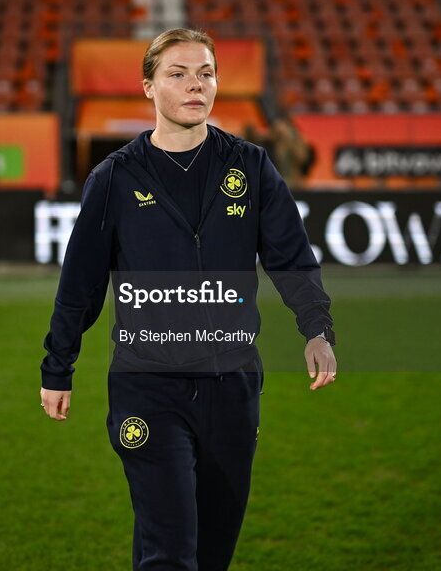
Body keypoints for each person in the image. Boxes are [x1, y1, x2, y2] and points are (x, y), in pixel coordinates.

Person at [39, 29, 338, 570]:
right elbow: (80, 283)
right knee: (170, 551)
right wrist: (58, 366)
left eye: (205, 72)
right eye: (177, 73)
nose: (195, 84)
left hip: (233, 386)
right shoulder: (114, 178)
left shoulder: (250, 167)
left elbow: (291, 257)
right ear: (149, 88)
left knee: (210, 553)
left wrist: (316, 328)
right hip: (147, 387)